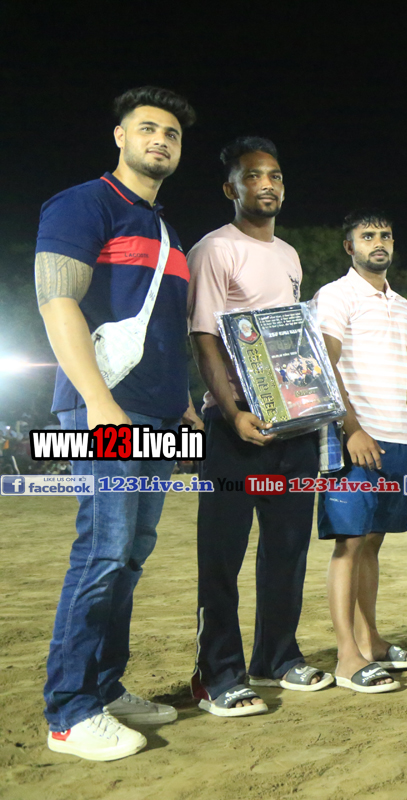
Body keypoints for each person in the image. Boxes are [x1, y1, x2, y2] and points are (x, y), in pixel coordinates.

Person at [35, 86, 196, 761]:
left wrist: (183, 403)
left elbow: (167, 329)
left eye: (172, 134)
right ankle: (70, 712)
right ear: (120, 137)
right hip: (106, 407)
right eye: (148, 128)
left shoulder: (167, 232)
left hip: (159, 411)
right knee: (101, 552)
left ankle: (104, 687)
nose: (161, 140)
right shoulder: (82, 204)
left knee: (130, 556)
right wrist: (98, 400)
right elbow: (57, 302)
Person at [187, 136, 331, 716]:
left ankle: (276, 656)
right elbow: (205, 338)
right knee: (222, 554)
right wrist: (232, 411)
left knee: (287, 548)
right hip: (236, 427)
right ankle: (217, 673)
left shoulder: (290, 255)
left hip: (293, 426)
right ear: (231, 188)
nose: (266, 184)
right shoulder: (214, 249)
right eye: (253, 176)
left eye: (274, 176)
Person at [313, 209, 407, 692]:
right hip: (355, 439)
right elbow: (323, 365)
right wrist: (351, 429)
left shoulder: (402, 306)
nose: (378, 242)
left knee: (374, 542)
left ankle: (372, 641)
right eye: (367, 236)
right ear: (350, 246)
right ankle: (347, 656)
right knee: (349, 543)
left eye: (385, 235)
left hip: (396, 439)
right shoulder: (335, 295)